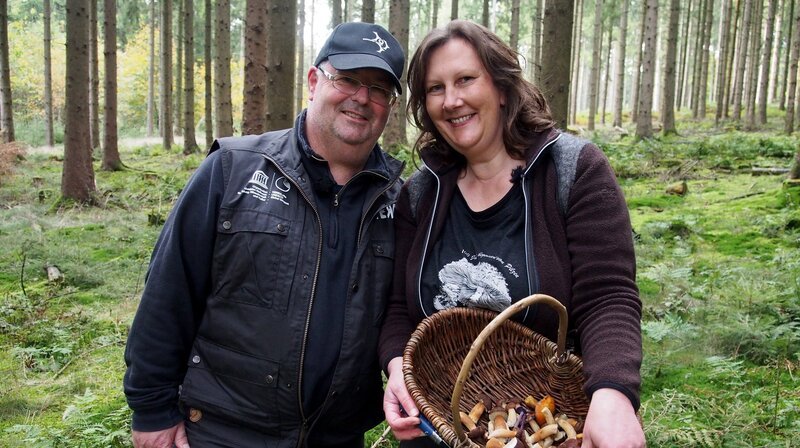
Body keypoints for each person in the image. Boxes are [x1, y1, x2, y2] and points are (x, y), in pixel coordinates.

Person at [124, 22, 405, 448]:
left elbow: (400, 315)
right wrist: (152, 411)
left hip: (338, 436)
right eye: (347, 79)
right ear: (314, 81)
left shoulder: (399, 203)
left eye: (380, 89)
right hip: (224, 431)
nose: (362, 98)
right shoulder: (232, 170)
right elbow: (169, 291)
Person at [378, 20, 645, 448]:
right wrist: (396, 369)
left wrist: (612, 393)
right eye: (435, 88)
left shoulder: (573, 172)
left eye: (466, 79)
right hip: (439, 426)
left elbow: (608, 296)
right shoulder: (421, 193)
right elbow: (397, 309)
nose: (452, 100)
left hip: (548, 423)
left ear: (502, 87)